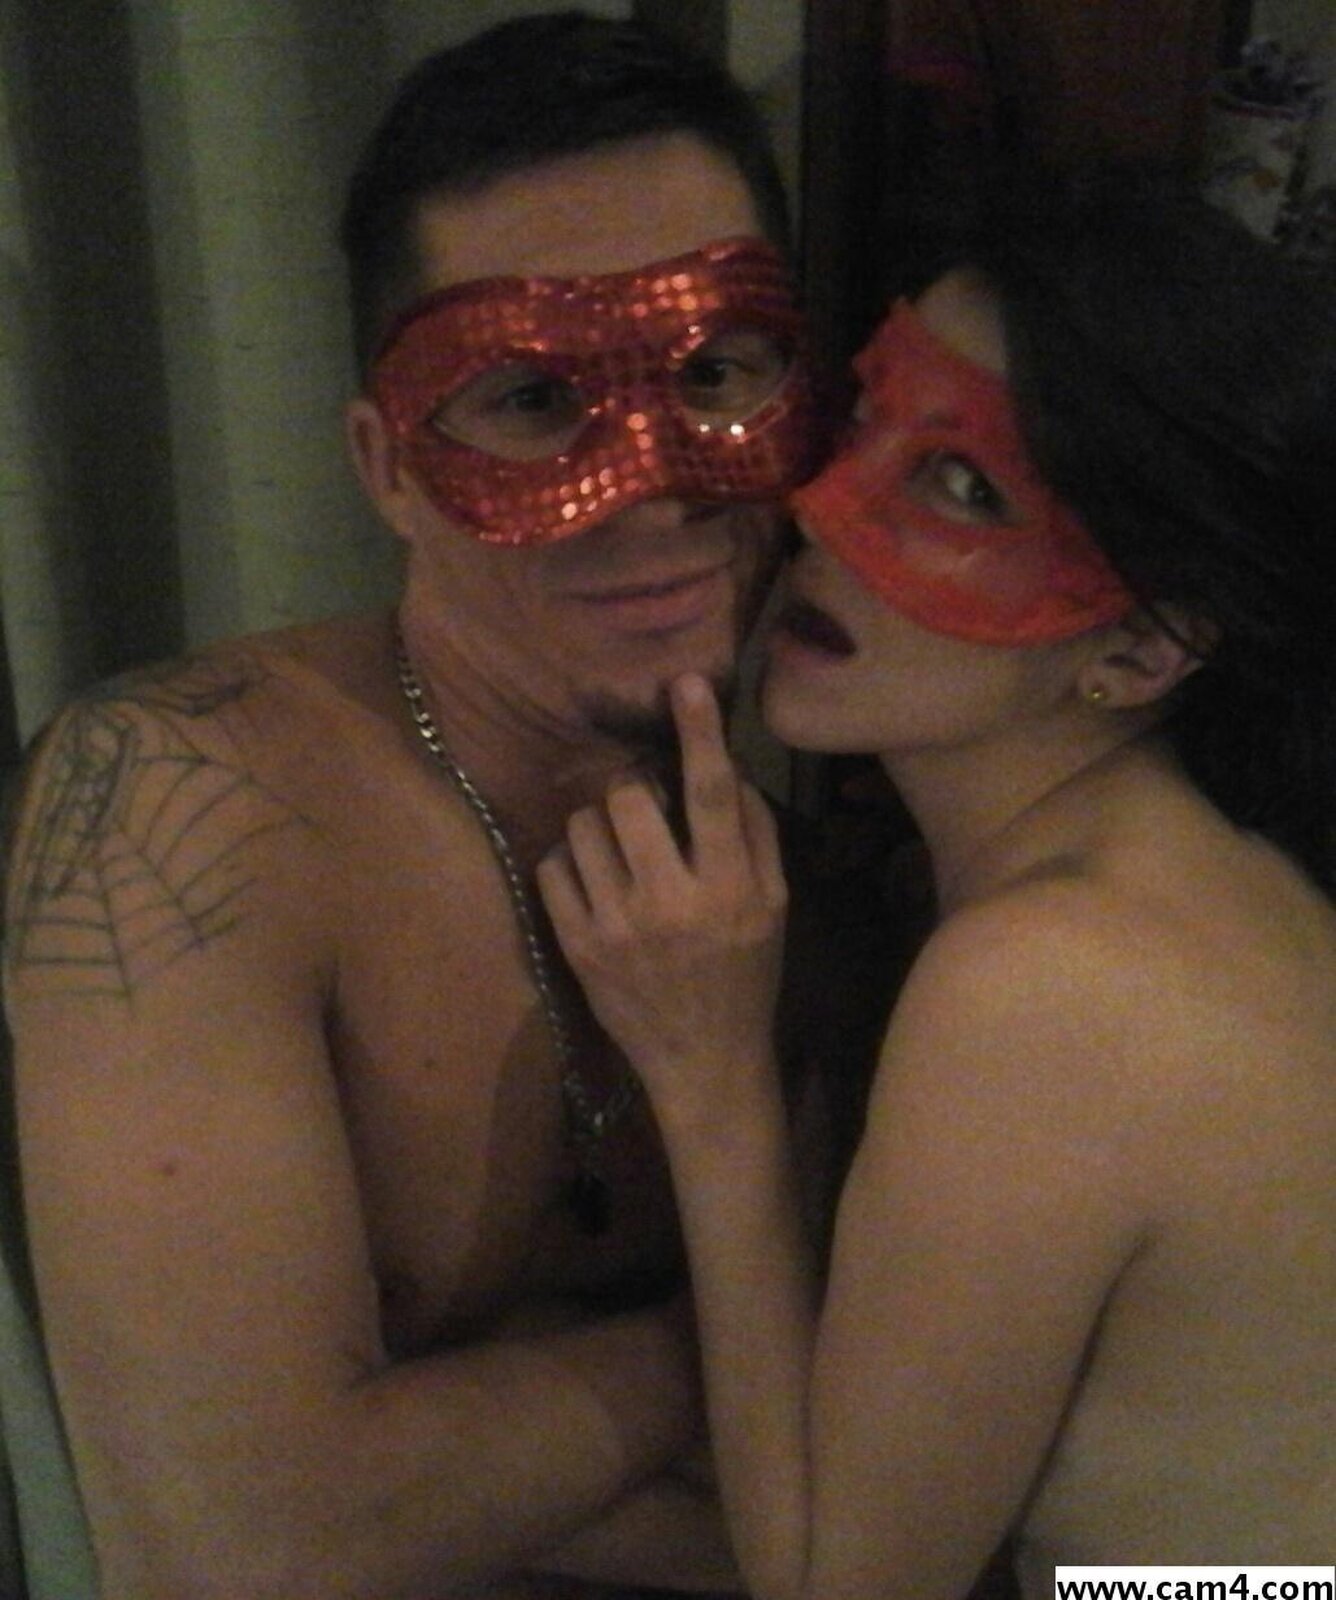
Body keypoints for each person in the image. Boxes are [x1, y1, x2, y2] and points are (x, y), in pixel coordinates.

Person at [0, 11, 819, 1596]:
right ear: (386, 465)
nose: (652, 488)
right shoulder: (185, 804)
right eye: (531, 402)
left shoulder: (856, 819)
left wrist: (455, 1438)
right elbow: (239, 1550)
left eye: (716, 371)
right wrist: (752, 1314)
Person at [537, 165, 1336, 1598]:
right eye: (862, 419)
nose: (825, 510)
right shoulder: (1210, 873)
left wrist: (711, 1075)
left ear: (1145, 647)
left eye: (963, 484)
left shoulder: (1052, 982)